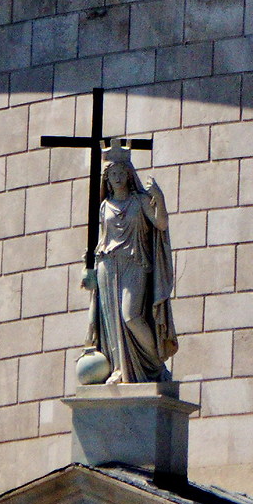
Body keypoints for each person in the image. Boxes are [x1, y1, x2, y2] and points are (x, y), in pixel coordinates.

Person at [88, 147, 177, 383]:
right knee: (112, 320)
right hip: (108, 264)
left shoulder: (140, 201)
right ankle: (120, 368)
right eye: (112, 174)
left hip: (135, 262)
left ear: (128, 175)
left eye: (121, 173)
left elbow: (161, 224)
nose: (117, 178)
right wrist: (90, 270)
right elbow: (101, 240)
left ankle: (156, 363)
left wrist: (159, 198)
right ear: (107, 179)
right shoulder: (104, 206)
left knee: (130, 316)